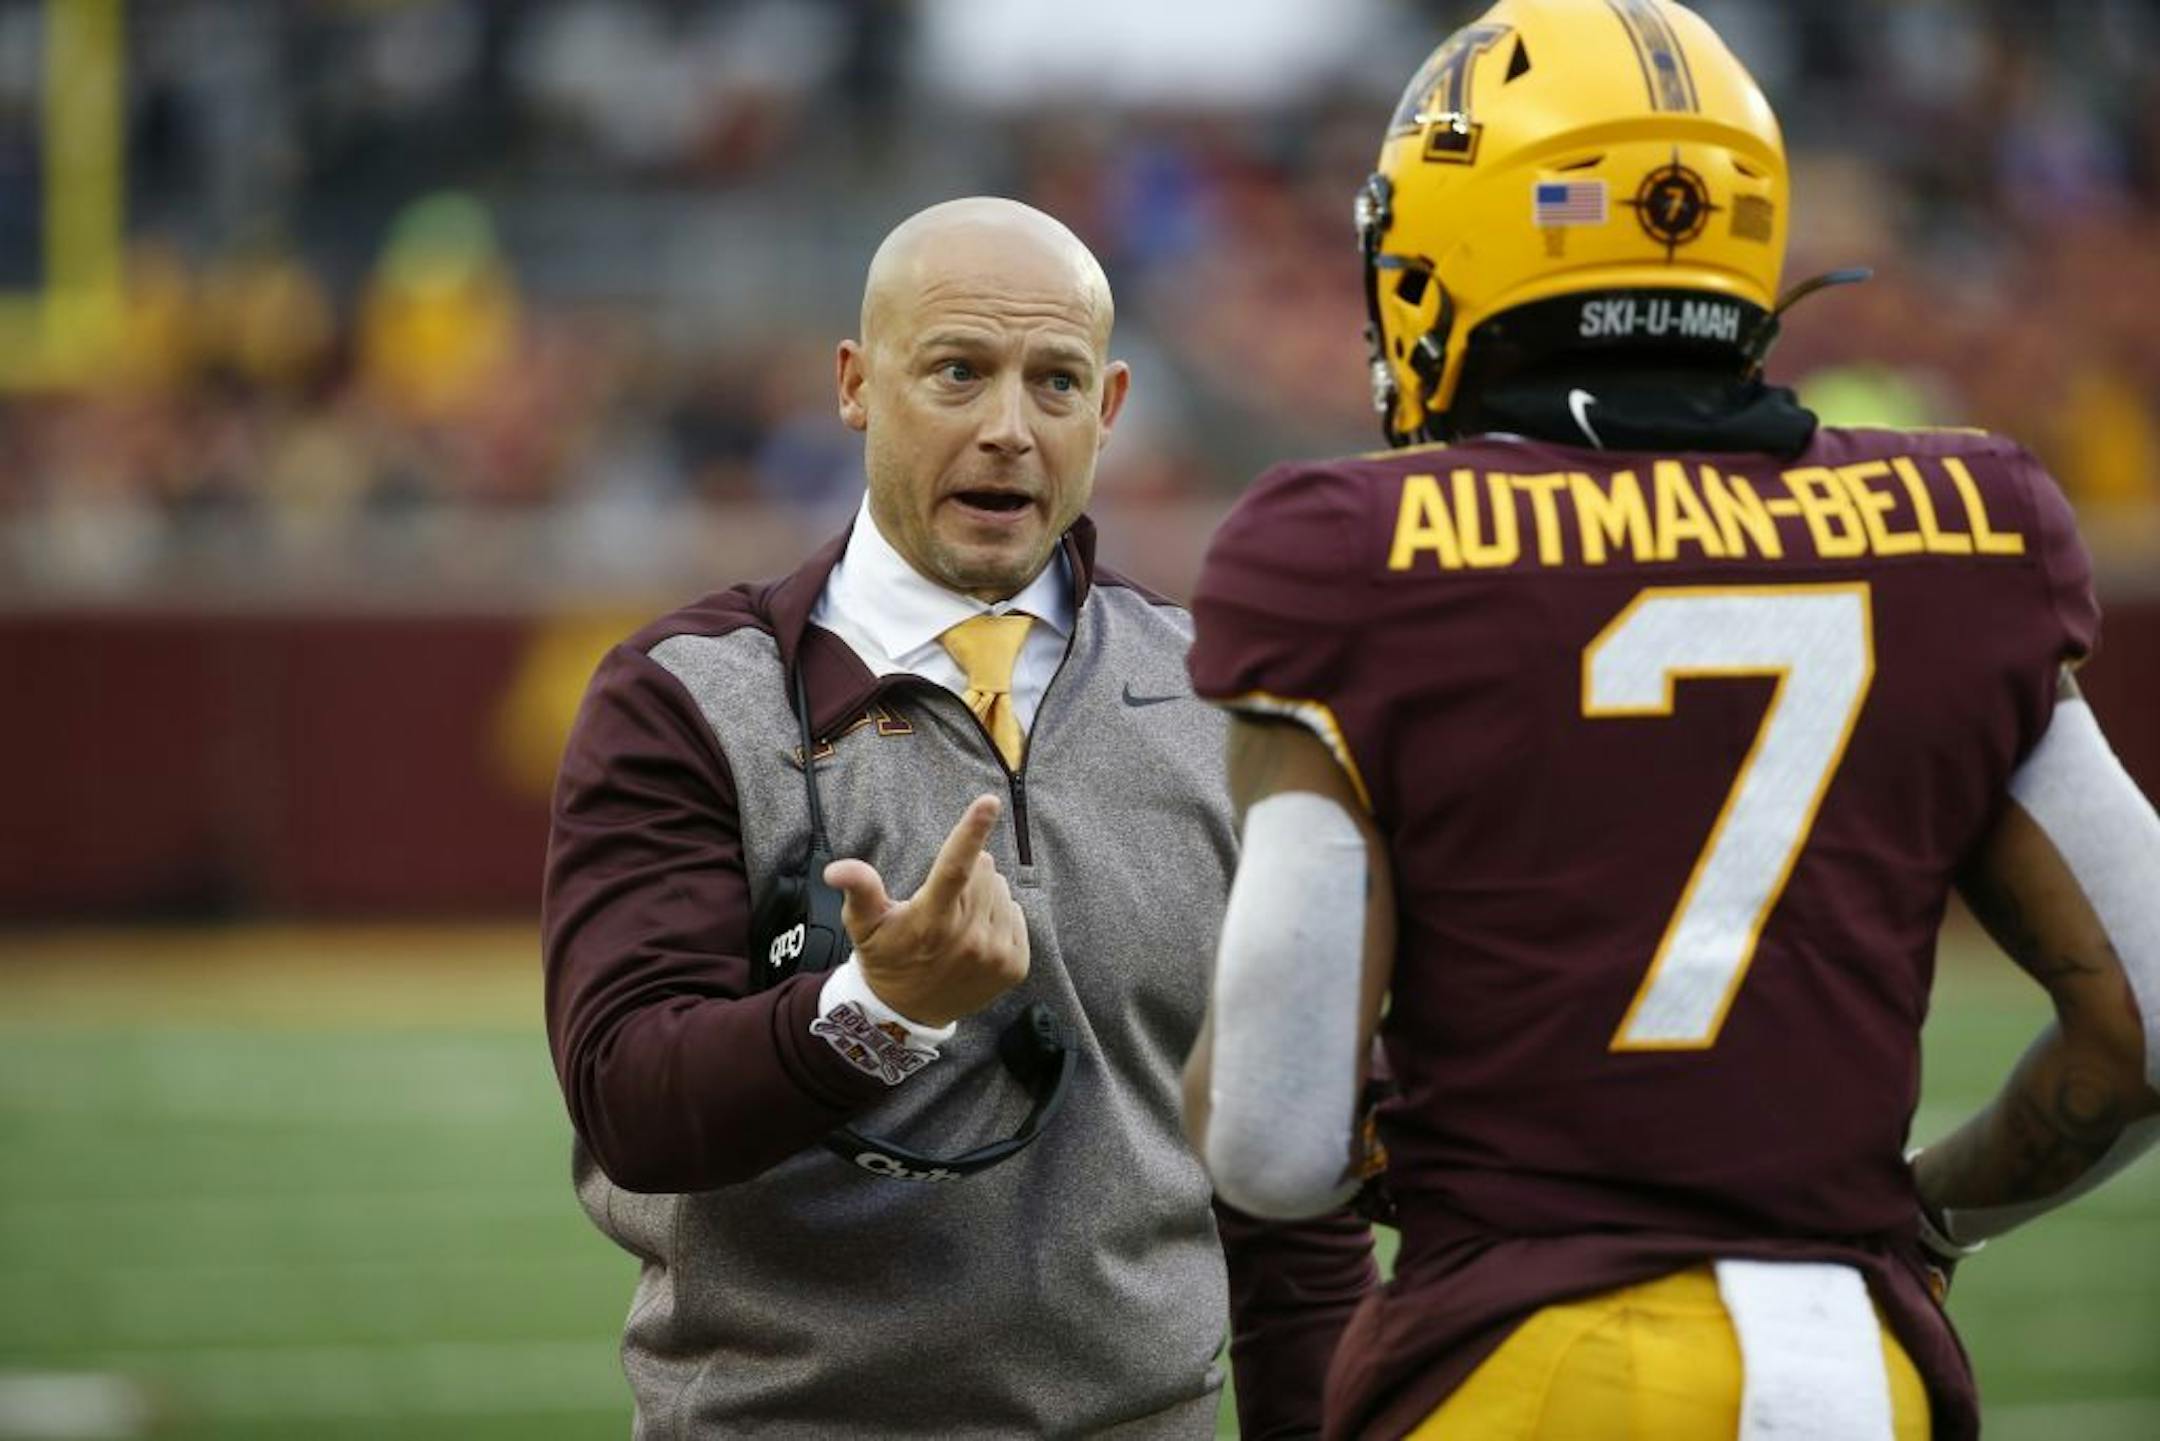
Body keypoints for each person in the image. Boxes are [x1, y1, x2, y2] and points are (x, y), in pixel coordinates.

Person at [1178, 3, 2160, 1439]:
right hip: (1862, 1365)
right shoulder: (1971, 524)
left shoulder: (1352, 549)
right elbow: (2145, 1015)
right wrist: (1919, 1224)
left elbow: (1270, 1140)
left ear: (1458, 242)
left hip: (1531, 1365)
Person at [543, 196, 1373, 1438]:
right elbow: (632, 1100)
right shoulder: (684, 701)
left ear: (1110, 408)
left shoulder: (1222, 703)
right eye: (956, 372)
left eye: (1054, 382)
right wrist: (877, 1012)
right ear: (855, 384)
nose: (1007, 429)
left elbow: (1292, 1204)